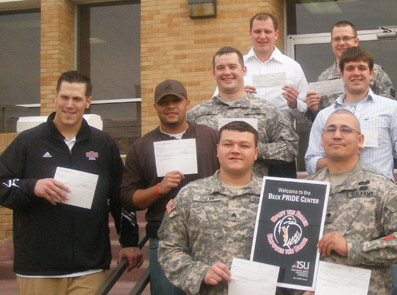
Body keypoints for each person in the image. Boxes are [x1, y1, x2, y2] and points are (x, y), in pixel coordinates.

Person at [0, 71, 141, 294]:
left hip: (89, 268)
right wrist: (31, 187)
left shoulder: (103, 144)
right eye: (64, 97)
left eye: (76, 99)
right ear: (55, 97)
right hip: (38, 269)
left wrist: (130, 241)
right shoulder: (28, 142)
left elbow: (119, 196)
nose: (69, 105)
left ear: (88, 102)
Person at [304, 46, 397, 294]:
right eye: (350, 69)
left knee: (396, 285)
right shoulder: (325, 115)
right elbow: (312, 160)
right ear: (341, 73)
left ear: (372, 73)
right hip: (331, 205)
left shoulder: (391, 109)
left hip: (380, 208)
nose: (356, 73)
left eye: (361, 68)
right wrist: (342, 157)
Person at [120, 79, 220, 294]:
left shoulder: (210, 137)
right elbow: (127, 198)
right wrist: (158, 189)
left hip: (210, 239)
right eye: (164, 102)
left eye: (176, 100)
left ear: (187, 103)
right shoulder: (141, 146)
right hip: (165, 242)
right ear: (155, 107)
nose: (171, 106)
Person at [158, 121, 262, 295]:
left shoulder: (274, 196)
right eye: (228, 144)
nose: (235, 150)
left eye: (244, 145)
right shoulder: (190, 194)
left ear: (256, 153)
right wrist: (199, 273)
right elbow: (169, 248)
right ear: (217, 150)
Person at [188, 46, 298, 178]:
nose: (227, 72)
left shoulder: (266, 111)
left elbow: (291, 148)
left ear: (244, 70)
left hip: (254, 194)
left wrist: (255, 149)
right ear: (213, 73)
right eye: (221, 68)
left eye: (232, 67)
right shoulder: (196, 115)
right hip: (210, 195)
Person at [244, 12, 308, 177]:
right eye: (257, 32)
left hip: (281, 152)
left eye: (267, 31)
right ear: (250, 34)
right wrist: (236, 97)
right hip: (244, 152)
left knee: (281, 201)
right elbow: (219, 104)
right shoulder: (237, 66)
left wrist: (294, 104)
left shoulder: (292, 67)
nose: (262, 36)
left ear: (276, 34)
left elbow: (304, 117)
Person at [305, 20, 396, 120]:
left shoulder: (376, 73)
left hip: (369, 130)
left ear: (356, 41)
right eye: (337, 39)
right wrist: (313, 109)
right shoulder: (324, 78)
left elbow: (390, 109)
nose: (341, 43)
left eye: (346, 38)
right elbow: (319, 120)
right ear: (331, 43)